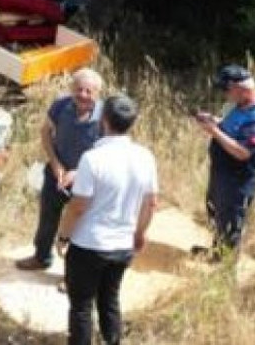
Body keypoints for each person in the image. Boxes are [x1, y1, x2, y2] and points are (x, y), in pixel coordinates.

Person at [56, 94, 158, 345]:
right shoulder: (145, 157)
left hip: (89, 245)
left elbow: (78, 206)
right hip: (122, 246)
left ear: (103, 120)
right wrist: (139, 233)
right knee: (109, 302)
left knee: (81, 307)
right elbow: (152, 202)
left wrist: (63, 236)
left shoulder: (92, 159)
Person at [16, 69, 105, 272]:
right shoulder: (61, 106)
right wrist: (55, 164)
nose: (82, 95)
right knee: (47, 217)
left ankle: (73, 274)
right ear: (72, 89)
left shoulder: (104, 118)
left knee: (80, 227)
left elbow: (106, 156)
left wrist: (78, 173)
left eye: (88, 91)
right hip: (56, 174)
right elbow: (45, 132)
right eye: (79, 89)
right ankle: (41, 257)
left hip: (86, 180)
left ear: (97, 93)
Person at [194, 64, 255, 259]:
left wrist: (212, 131)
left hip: (237, 182)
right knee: (217, 215)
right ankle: (216, 253)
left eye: (227, 90)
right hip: (221, 175)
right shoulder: (240, 107)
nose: (225, 94)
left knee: (231, 223)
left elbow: (243, 152)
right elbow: (232, 130)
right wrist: (214, 121)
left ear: (242, 89)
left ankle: (226, 268)